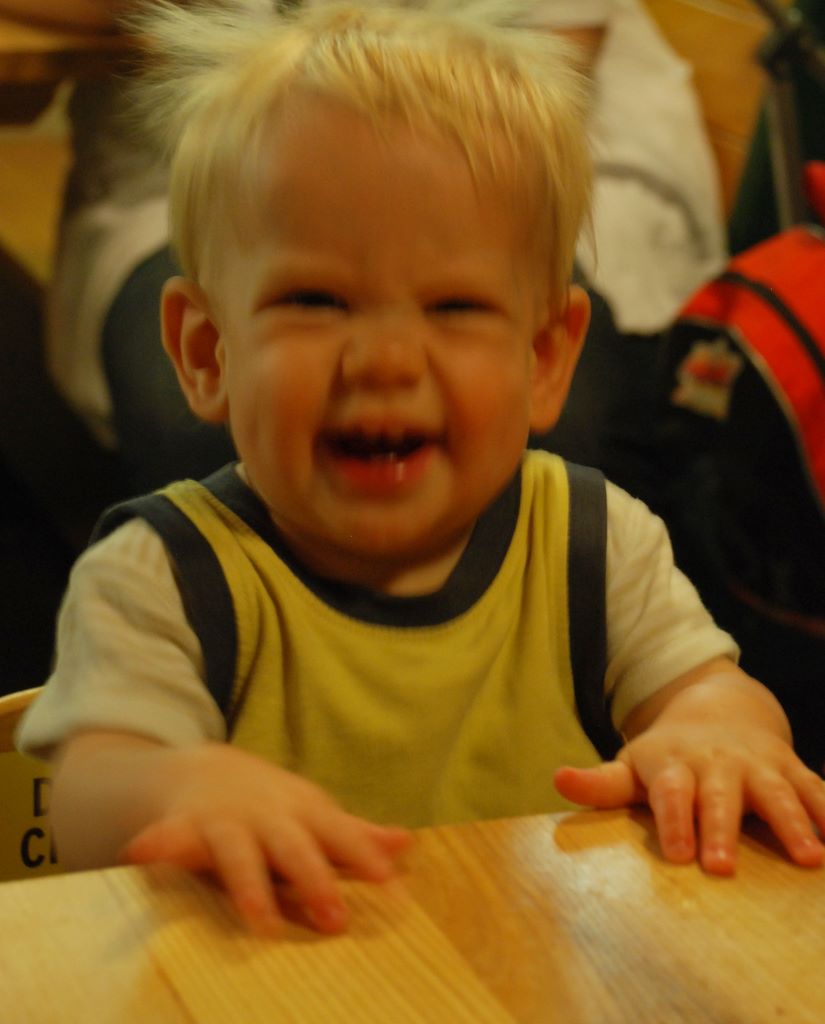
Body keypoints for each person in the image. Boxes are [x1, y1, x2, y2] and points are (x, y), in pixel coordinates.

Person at [17, 0, 825, 937]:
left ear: (544, 358)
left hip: (511, 976)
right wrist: (176, 787)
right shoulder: (166, 575)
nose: (387, 360)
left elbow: (704, 688)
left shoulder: (589, 542)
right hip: (264, 977)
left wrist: (713, 734)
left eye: (452, 308)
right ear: (206, 351)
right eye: (316, 300)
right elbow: (82, 795)